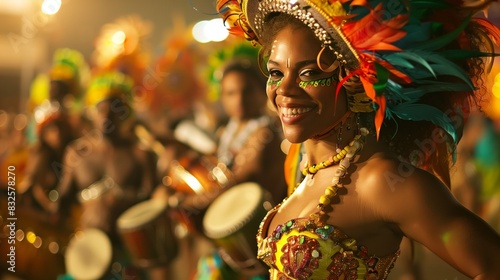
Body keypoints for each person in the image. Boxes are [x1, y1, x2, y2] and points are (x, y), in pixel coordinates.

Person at [216, 0, 500, 279]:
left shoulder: (382, 181)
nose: (285, 89)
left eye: (310, 73)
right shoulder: (304, 170)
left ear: (356, 82)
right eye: (276, 72)